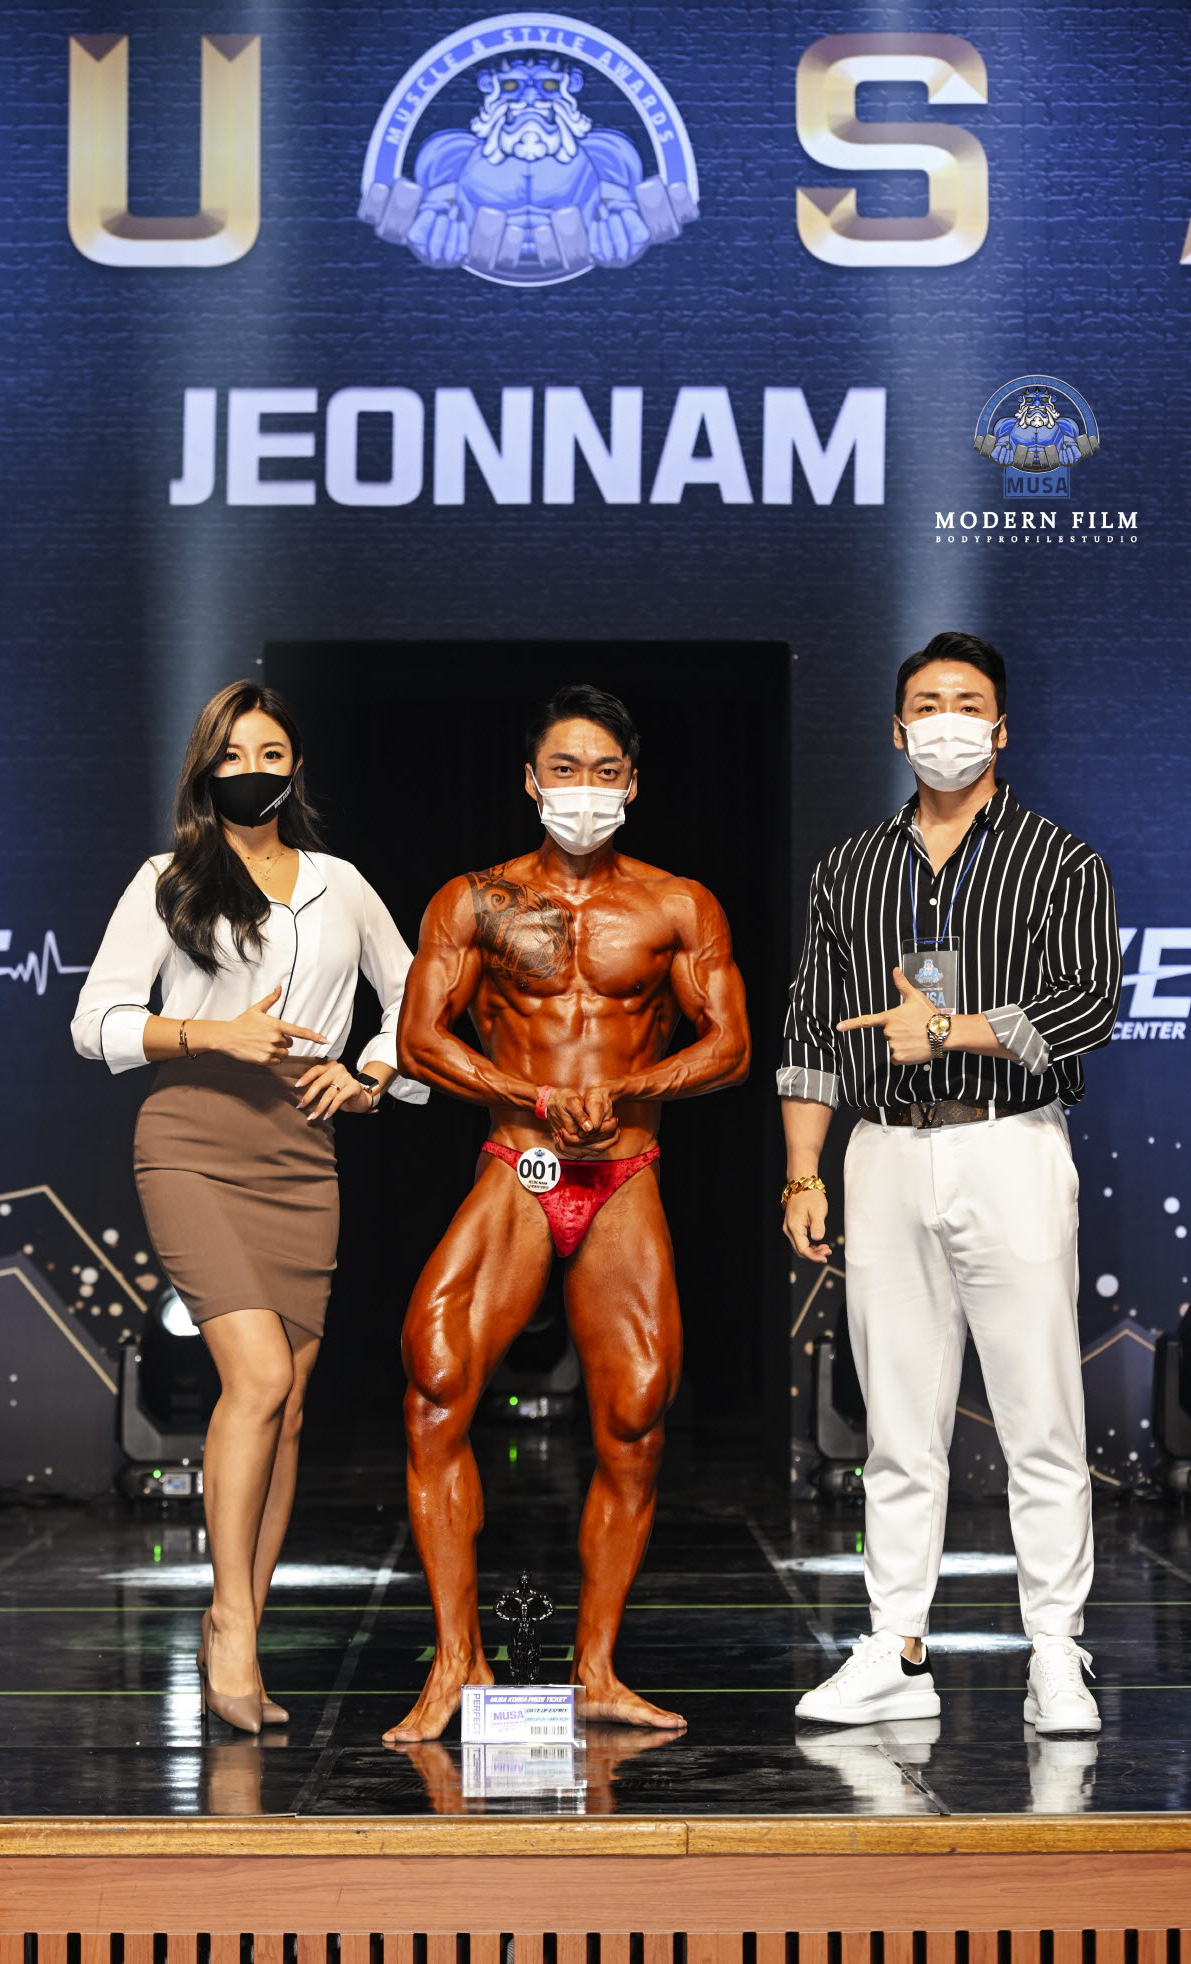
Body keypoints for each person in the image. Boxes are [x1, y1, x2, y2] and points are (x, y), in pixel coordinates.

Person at [384, 683, 750, 1743]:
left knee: (634, 1419)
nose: (582, 789)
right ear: (530, 780)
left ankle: (595, 1672)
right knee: (434, 1386)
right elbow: (419, 1038)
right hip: (521, 1159)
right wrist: (533, 1094)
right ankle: (456, 1663)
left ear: (630, 785)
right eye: (563, 769)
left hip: (623, 1170)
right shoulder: (475, 900)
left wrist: (628, 1089)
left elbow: (728, 1045)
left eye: (602, 771)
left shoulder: (677, 904)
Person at [780, 632, 1121, 1734]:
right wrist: (801, 1173)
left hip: (1007, 1142)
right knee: (897, 1423)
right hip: (881, 1150)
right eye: (925, 704)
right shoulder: (848, 869)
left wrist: (951, 1029)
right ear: (896, 729)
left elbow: (1089, 1004)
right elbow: (808, 1031)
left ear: (1000, 729)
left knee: (1040, 1418)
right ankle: (894, 1646)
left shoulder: (1060, 860)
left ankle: (1055, 1652)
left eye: (966, 704)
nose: (945, 722)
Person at [72, 680, 425, 1733]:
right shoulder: (167, 880)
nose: (252, 770)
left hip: (302, 1154)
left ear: (295, 767)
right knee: (259, 1377)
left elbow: (418, 997)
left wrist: (371, 1072)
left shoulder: (340, 883)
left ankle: (246, 1626)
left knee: (289, 1407)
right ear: (204, 769)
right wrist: (210, 1033)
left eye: (269, 753)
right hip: (190, 1136)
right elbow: (95, 1021)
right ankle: (227, 1625)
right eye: (231, 755)